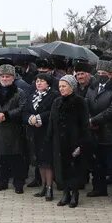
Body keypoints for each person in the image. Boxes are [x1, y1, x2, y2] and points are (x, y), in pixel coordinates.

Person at [85, 59, 112, 202]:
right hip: (95, 132)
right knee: (97, 163)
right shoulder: (92, 87)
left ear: (111, 74)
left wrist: (94, 120)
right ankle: (99, 188)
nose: (100, 75)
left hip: (110, 132)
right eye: (99, 73)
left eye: (104, 73)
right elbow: (86, 104)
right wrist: (89, 119)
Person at [0, 64, 27, 194]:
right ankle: (2, 182)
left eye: (7, 76)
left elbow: (22, 108)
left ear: (13, 78)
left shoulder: (19, 92)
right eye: (2, 76)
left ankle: (18, 183)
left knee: (16, 159)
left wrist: (7, 115)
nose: (4, 78)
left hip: (13, 130)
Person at [50, 74, 89, 207]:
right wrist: (50, 139)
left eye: (64, 86)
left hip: (74, 141)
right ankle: (65, 193)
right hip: (59, 141)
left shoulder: (80, 102)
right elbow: (52, 122)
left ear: (71, 87)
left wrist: (81, 144)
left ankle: (75, 194)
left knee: (74, 169)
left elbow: (84, 125)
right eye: (60, 86)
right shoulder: (57, 102)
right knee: (62, 168)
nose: (61, 89)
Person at [26, 73, 58, 199]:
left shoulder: (53, 95)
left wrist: (39, 118)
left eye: (42, 81)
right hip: (34, 132)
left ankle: (50, 188)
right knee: (39, 161)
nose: (39, 83)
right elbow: (26, 110)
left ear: (48, 83)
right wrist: (30, 118)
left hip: (47, 132)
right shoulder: (32, 95)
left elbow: (52, 111)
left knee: (47, 161)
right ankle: (43, 186)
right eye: (37, 81)